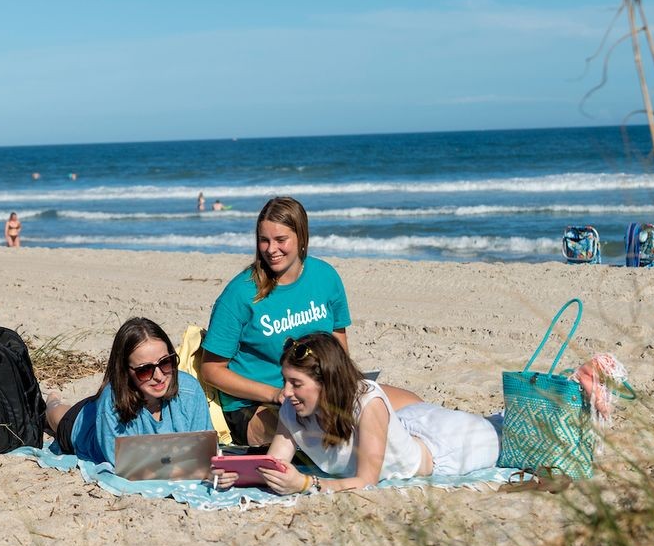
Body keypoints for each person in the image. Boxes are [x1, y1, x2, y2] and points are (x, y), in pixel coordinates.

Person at [214, 332, 499, 494]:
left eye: (296, 383)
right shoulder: (293, 409)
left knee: (500, 429)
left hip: (448, 447)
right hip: (406, 426)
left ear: (326, 382)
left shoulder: (366, 401)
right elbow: (274, 464)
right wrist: (237, 476)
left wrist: (304, 483)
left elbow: (366, 481)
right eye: (285, 381)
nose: (285, 392)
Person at [199, 196, 352, 448]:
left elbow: (339, 345)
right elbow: (211, 370)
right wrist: (274, 394)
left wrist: (344, 386)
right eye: (264, 240)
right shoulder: (240, 293)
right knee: (318, 433)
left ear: (301, 237)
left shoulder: (326, 277)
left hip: (319, 394)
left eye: (281, 240)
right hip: (255, 404)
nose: (271, 249)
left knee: (397, 404)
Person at [45, 317, 212, 465]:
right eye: (145, 370)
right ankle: (52, 399)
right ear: (125, 371)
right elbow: (125, 464)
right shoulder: (112, 404)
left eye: (165, 362)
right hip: (83, 425)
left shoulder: (190, 389)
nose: (159, 376)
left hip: (106, 406)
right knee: (55, 415)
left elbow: (205, 449)